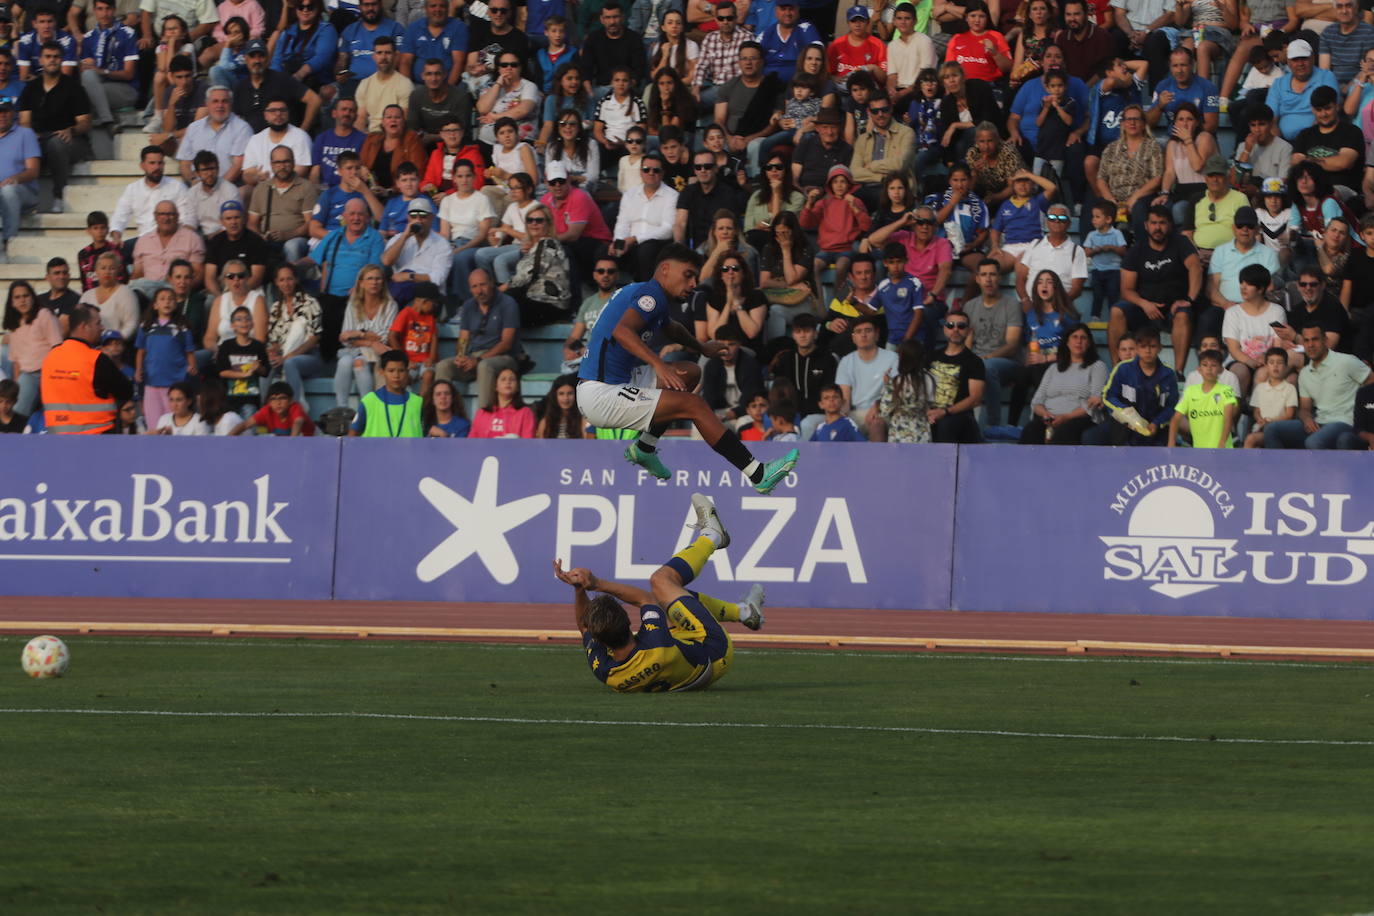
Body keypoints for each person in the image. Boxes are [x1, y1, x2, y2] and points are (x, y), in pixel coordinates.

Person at [576, 243, 799, 493]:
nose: (693, 283)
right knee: (694, 404)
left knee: (689, 373)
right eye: (688, 274)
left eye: (695, 276)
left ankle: (644, 448)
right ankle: (758, 474)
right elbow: (622, 331)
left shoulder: (648, 294)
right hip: (600, 394)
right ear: (665, 269)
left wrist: (701, 347)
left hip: (613, 381)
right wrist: (659, 365)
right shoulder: (650, 297)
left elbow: (671, 328)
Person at [554, 493, 764, 694]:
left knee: (672, 598)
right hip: (714, 651)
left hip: (686, 672)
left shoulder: (605, 672)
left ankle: (744, 612)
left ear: (601, 641)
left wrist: (579, 590)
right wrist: (596, 584)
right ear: (629, 622)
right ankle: (712, 536)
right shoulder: (655, 639)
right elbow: (647, 599)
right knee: (662, 582)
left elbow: (584, 627)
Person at [1109, 205, 1201, 374]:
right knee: (1116, 311)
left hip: (1174, 306)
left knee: (1182, 314)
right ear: (1146, 225)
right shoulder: (1137, 250)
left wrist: (1189, 299)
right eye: (1153, 223)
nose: (1157, 228)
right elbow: (1126, 290)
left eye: (1162, 223)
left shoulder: (1181, 243)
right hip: (1145, 308)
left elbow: (1195, 268)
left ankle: (1178, 372)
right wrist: (1144, 304)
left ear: (1170, 225)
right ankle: (1117, 369)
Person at [1263, 322, 1374, 448]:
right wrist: (1307, 419)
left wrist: (1366, 419)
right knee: (1272, 429)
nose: (1310, 345)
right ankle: (1282, 468)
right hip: (1319, 423)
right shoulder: (1305, 373)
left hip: (1345, 422)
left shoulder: (1346, 362)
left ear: (1325, 340)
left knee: (1314, 442)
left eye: (1315, 339)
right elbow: (1305, 409)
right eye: (1306, 340)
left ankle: (1324, 468)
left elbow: (1371, 384)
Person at [19, 40, 93, 214]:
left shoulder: (74, 87)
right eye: (48, 57)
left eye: (56, 57)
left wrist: (71, 130)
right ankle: (26, 201)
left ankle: (59, 196)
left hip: (71, 140)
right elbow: (24, 121)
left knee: (56, 143)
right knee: (20, 143)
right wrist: (30, 137)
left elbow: (85, 122)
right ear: (40, 60)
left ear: (62, 60)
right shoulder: (31, 88)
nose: (52, 60)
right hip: (39, 138)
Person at [40, 303, 133, 434]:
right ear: (84, 326)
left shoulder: (50, 356)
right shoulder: (96, 360)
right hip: (96, 436)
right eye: (98, 323)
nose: (102, 328)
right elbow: (126, 391)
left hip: (58, 436)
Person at [436, 269, 523, 407]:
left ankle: (483, 419)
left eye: (483, 285)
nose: (479, 291)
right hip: (474, 356)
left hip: (503, 357)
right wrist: (460, 356)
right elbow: (464, 338)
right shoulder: (468, 305)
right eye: (474, 287)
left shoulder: (507, 303)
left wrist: (479, 360)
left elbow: (506, 343)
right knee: (443, 366)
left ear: (492, 283)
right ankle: (444, 418)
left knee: (484, 366)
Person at [1094, 326, 1179, 446]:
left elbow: (1173, 405)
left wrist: (1157, 423)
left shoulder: (1168, 374)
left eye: (1153, 346)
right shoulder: (1122, 369)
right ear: (1137, 349)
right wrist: (1127, 414)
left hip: (1158, 434)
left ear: (1160, 348)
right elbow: (1108, 396)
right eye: (1143, 346)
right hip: (1125, 433)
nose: (1148, 351)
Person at [134, 286, 197, 428]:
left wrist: (192, 367)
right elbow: (141, 351)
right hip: (152, 381)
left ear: (176, 304)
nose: (167, 302)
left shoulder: (182, 327)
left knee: (173, 424)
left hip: (175, 383)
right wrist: (138, 370)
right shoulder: (146, 326)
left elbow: (189, 352)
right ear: (155, 305)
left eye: (171, 299)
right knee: (153, 424)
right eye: (162, 299)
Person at [611, 151, 679, 282]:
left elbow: (667, 230)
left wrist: (635, 239)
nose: (651, 173)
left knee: (646, 249)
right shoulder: (629, 194)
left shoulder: (672, 196)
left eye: (656, 170)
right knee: (605, 251)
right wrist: (618, 241)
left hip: (656, 245)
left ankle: (646, 292)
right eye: (646, 170)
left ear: (663, 173)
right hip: (630, 245)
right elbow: (622, 223)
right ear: (641, 172)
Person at [3, 280, 62, 418]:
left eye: (26, 296)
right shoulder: (13, 325)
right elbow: (16, 362)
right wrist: (16, 389)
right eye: (17, 297)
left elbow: (57, 348)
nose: (22, 300)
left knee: (55, 416)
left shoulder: (44, 315)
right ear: (11, 302)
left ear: (32, 297)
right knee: (17, 412)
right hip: (28, 375)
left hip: (49, 372)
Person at [927, 310, 985, 443]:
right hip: (929, 412)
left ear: (968, 331)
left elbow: (975, 399)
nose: (955, 329)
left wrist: (945, 412)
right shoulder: (931, 356)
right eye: (951, 325)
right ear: (944, 328)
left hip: (958, 416)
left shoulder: (974, 362)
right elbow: (919, 387)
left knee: (947, 424)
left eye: (961, 326)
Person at [130, 200, 206, 298]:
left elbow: (198, 273)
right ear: (155, 216)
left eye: (170, 214)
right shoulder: (143, 241)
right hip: (147, 290)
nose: (166, 218)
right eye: (162, 214)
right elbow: (138, 273)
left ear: (177, 216)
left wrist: (182, 292)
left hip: (176, 290)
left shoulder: (192, 238)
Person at [382, 195, 450, 305]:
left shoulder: (442, 244)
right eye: (414, 216)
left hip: (427, 293)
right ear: (408, 218)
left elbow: (438, 278)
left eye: (423, 216)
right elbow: (386, 261)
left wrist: (409, 277)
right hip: (400, 290)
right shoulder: (399, 239)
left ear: (431, 217)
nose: (418, 220)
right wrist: (404, 237)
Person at [177, 86, 252, 184]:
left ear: (231, 104)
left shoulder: (242, 128)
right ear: (207, 104)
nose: (220, 105)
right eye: (215, 101)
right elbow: (185, 163)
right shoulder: (193, 128)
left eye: (224, 101)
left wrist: (218, 188)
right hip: (196, 186)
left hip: (228, 186)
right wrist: (193, 181)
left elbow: (237, 166)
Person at [1266, 38, 1337, 141]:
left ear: (1312, 58)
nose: (1300, 64)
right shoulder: (1279, 84)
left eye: (1304, 58)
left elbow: (1330, 112)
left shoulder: (1326, 77)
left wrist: (1304, 143)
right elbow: (1271, 120)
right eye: (1295, 59)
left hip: (1318, 139)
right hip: (1284, 143)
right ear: (1288, 62)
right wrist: (1281, 146)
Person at [1168, 348, 1238, 448]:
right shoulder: (1190, 391)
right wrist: (1171, 443)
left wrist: (1222, 442)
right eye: (1205, 365)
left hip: (1223, 449)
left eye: (1213, 365)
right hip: (1199, 449)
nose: (1209, 368)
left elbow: (1228, 418)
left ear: (1220, 369)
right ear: (1199, 369)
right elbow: (1175, 419)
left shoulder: (1226, 391)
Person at [349, 347, 424, 436]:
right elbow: (352, 435)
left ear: (407, 372)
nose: (396, 375)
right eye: (391, 371)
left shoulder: (417, 402)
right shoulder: (369, 401)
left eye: (401, 371)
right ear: (382, 372)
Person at [0, 98, 39, 262]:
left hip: (23, 191)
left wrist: (13, 179)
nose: (2, 116)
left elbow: (33, 170)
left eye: (5, 111)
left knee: (8, 190)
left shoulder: (25, 134)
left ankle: (9, 241)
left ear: (13, 113)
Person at [215, 304, 270, 418]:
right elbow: (222, 372)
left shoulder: (258, 346)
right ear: (232, 326)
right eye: (239, 319)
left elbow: (266, 372)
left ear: (252, 323)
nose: (244, 322)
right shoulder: (226, 346)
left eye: (247, 319)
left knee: (248, 429)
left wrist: (259, 368)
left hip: (251, 399)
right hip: (230, 399)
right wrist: (243, 374)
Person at [387, 279, 439, 394]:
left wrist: (431, 358)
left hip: (425, 361)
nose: (435, 306)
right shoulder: (406, 313)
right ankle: (400, 404)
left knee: (429, 375)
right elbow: (392, 336)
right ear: (424, 301)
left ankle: (422, 408)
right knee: (403, 378)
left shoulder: (430, 318)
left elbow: (434, 339)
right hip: (409, 361)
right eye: (433, 303)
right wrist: (405, 360)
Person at [1243, 346, 1300, 447]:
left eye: (1280, 363)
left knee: (1252, 439)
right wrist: (1260, 419)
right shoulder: (1260, 388)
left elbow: (1289, 415)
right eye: (1271, 362)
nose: (1275, 366)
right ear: (1266, 366)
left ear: (1286, 366)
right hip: (1262, 427)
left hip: (1280, 429)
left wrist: (1270, 422)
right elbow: (1257, 411)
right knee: (1250, 439)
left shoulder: (1289, 388)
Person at [78, 250, 140, 339]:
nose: (107, 272)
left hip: (115, 346)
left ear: (118, 271)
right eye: (103, 268)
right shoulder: (87, 295)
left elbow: (131, 325)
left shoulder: (126, 293)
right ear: (96, 271)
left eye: (112, 268)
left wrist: (114, 341)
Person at [469, 366, 535, 437]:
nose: (508, 382)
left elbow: (528, 443)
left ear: (517, 387)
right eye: (503, 379)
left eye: (512, 379)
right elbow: (472, 442)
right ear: (495, 386)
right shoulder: (482, 413)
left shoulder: (525, 412)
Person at [535, 374, 589, 438]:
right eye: (561, 394)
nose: (566, 398)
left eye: (570, 393)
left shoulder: (583, 421)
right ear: (554, 396)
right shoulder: (546, 422)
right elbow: (541, 446)